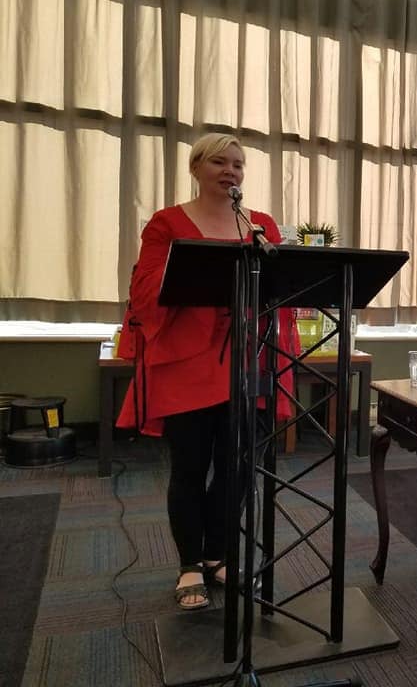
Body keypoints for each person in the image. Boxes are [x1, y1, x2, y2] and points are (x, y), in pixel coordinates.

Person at [116, 133, 297, 609]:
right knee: (191, 469)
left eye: (238, 164)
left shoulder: (260, 225)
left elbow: (280, 293)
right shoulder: (166, 223)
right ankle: (188, 565)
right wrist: (200, 268)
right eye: (219, 161)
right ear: (196, 167)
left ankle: (218, 555)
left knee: (238, 470)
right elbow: (145, 288)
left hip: (247, 364)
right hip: (185, 365)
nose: (230, 170)